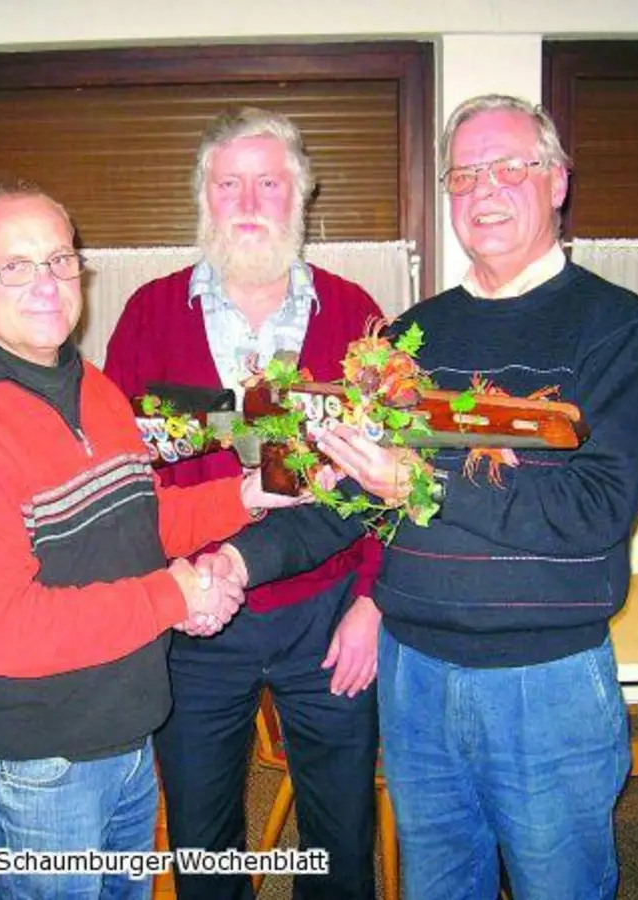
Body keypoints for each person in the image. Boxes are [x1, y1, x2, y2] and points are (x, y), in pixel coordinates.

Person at [196, 95, 638, 900]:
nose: (486, 189)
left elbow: (598, 510)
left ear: (557, 181)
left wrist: (420, 481)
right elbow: (350, 499)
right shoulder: (412, 334)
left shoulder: (617, 326)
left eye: (511, 166)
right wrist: (237, 558)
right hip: (415, 679)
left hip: (543, 685)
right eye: (465, 173)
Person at [0, 182, 311, 900]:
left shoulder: (91, 386)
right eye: (15, 266)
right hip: (38, 768)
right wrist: (174, 595)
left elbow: (134, 521)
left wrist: (241, 498)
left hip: (126, 739)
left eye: (59, 260)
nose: (46, 284)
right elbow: (6, 633)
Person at [103, 107, 386, 900]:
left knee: (342, 836)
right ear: (205, 196)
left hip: (328, 614)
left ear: (302, 194)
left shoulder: (356, 313)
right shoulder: (148, 315)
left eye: (269, 183)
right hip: (196, 618)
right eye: (229, 184)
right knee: (201, 839)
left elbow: (386, 476)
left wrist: (373, 602)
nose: (250, 202)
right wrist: (173, 587)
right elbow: (126, 477)